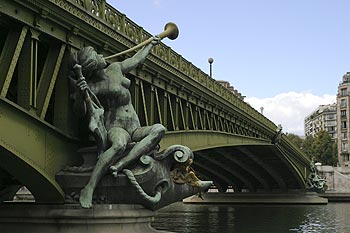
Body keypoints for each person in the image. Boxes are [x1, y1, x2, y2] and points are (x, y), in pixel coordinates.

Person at [71, 36, 166, 208]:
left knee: (159, 129)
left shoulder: (115, 68)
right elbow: (80, 112)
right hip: (116, 126)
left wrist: (150, 45)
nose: (101, 55)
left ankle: (123, 163)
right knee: (118, 145)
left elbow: (135, 60)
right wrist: (80, 93)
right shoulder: (93, 87)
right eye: (96, 54)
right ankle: (90, 187)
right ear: (93, 64)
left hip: (134, 126)